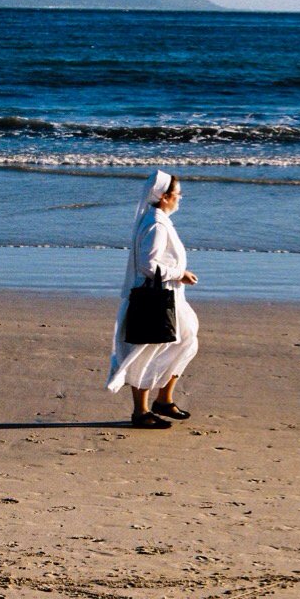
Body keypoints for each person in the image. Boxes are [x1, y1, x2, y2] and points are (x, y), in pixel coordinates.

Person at [107, 169, 199, 428]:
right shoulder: (156, 224)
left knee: (187, 338)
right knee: (147, 350)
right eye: (178, 194)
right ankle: (141, 412)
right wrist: (180, 273)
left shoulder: (157, 220)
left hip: (169, 296)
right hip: (156, 297)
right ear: (166, 197)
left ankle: (163, 400)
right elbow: (149, 265)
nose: (181, 198)